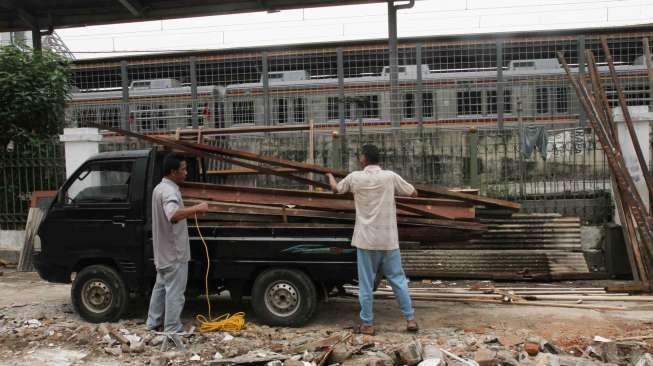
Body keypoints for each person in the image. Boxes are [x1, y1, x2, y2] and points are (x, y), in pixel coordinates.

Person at [326, 144, 419, 335]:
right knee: (398, 280)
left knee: (366, 283)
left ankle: (367, 324)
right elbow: (413, 192)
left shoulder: (354, 178)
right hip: (388, 239)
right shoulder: (390, 177)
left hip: (366, 240)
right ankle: (410, 319)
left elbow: (336, 189)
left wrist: (328, 175)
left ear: (364, 159)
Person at [146, 153, 209, 340]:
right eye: (183, 170)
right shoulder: (169, 192)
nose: (186, 173)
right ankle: (172, 329)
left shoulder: (160, 188)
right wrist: (197, 208)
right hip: (174, 254)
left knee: (160, 288)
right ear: (173, 172)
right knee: (175, 292)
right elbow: (172, 214)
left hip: (163, 253)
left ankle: (152, 324)